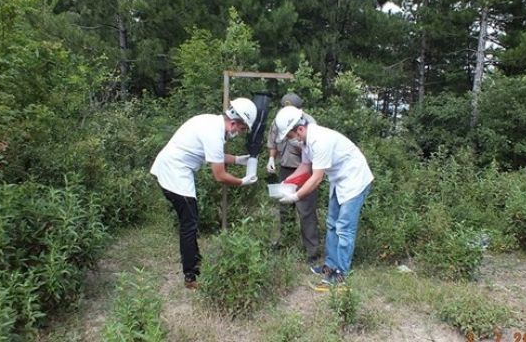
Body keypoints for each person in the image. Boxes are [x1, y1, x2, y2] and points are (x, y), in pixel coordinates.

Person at [150, 98, 259, 289]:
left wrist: (238, 160)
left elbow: (214, 154)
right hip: (174, 173)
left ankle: (196, 262)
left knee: (190, 221)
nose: (240, 134)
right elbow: (219, 175)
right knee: (189, 224)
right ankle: (191, 276)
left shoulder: (211, 122)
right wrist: (242, 181)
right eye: (242, 130)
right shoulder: (214, 132)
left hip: (175, 170)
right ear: (234, 123)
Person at [273, 105, 373, 291]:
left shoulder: (320, 140)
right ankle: (330, 265)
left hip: (355, 180)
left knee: (344, 227)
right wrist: (286, 183)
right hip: (339, 180)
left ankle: (341, 273)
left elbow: (316, 178)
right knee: (331, 223)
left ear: (300, 129)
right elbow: (305, 168)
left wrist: (295, 196)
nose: (291, 140)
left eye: (290, 136)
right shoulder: (306, 142)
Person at [266, 93, 320, 264]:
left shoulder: (309, 122)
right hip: (285, 168)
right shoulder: (279, 120)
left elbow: (313, 156)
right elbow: (273, 142)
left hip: (305, 170)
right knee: (284, 207)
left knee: (306, 211)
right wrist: (271, 159)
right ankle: (286, 242)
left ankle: (312, 251)